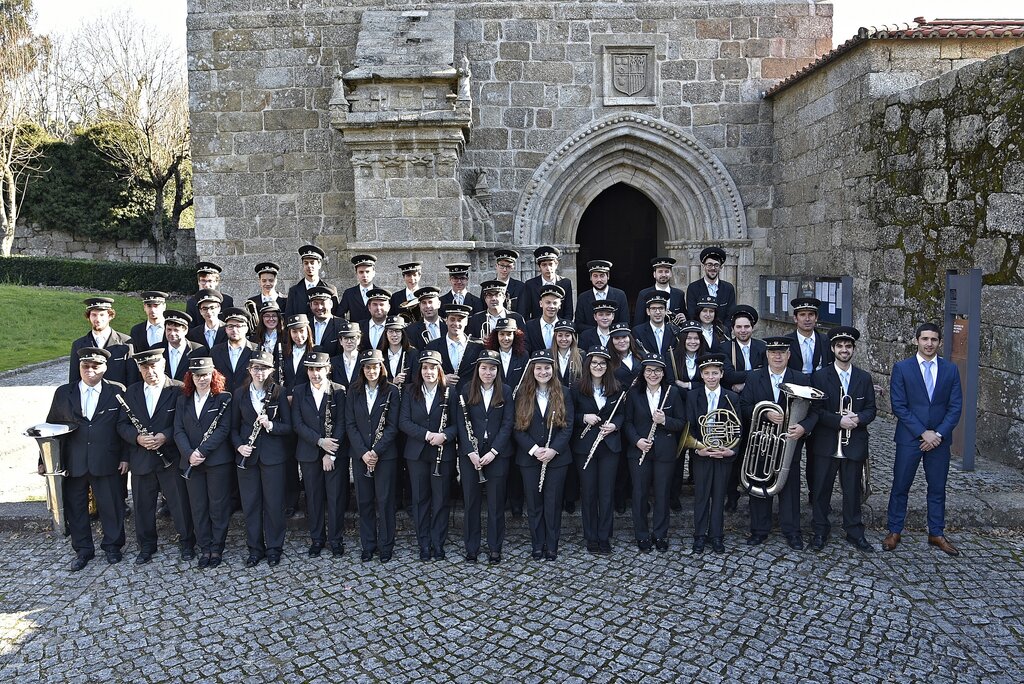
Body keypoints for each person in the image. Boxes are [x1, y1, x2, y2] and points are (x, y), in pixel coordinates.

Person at [884, 323, 963, 557]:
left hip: (939, 440)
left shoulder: (950, 370)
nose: (929, 344)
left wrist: (937, 434)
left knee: (937, 488)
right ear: (917, 340)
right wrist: (922, 432)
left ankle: (936, 532)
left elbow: (955, 406)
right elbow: (899, 405)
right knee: (900, 485)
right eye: (925, 339)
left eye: (934, 339)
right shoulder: (902, 368)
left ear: (939, 342)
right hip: (910, 438)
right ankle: (894, 530)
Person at [47, 347, 128, 571]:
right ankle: (83, 549)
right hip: (74, 460)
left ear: (105, 367)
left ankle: (113, 546)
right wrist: (44, 459)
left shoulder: (117, 391)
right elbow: (51, 427)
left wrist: (125, 457)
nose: (90, 370)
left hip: (108, 459)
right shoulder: (64, 392)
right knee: (76, 507)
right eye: (86, 366)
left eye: (96, 366)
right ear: (79, 367)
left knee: (111, 505)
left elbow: (124, 427)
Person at [117, 348, 194, 565]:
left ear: (163, 365)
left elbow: (185, 422)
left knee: (179, 503)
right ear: (139, 369)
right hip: (142, 457)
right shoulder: (130, 392)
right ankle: (147, 546)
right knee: (143, 506)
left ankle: (187, 542)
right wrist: (137, 438)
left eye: (154, 366)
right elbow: (121, 424)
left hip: (170, 456)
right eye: (144, 367)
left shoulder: (179, 389)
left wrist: (165, 436)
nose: (150, 371)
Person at [738, 336, 814, 550]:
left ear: (789, 355)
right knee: (759, 483)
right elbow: (744, 406)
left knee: (790, 488)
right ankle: (759, 530)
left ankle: (792, 531)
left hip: (790, 441)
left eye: (782, 352)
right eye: (773, 352)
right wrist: (765, 414)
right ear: (767, 355)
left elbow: (815, 411)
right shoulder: (754, 378)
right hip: (763, 441)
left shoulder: (801, 378)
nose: (777, 356)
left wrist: (803, 427)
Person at [808, 327, 876, 552]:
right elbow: (816, 410)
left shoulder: (864, 378)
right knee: (821, 490)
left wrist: (857, 419)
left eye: (848, 346)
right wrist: (839, 421)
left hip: (853, 442)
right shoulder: (819, 377)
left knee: (852, 490)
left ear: (853, 349)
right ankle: (820, 531)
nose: (844, 350)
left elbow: (871, 410)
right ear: (833, 349)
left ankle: (854, 531)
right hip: (826, 443)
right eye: (840, 346)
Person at [231, 351, 292, 567]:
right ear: (249, 370)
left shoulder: (279, 392)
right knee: (251, 505)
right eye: (256, 368)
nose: (259, 372)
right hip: (247, 458)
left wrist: (271, 425)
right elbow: (233, 428)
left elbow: (289, 426)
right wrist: (239, 446)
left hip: (273, 457)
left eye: (264, 368)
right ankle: (255, 549)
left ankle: (275, 548)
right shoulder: (239, 394)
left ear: (271, 371)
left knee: (274, 505)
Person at [514, 350, 574, 560]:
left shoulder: (564, 392)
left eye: (546, 367)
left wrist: (553, 450)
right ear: (532, 370)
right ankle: (537, 543)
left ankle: (552, 544)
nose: (543, 371)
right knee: (534, 503)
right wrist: (534, 450)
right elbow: (517, 428)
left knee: (553, 503)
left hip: (557, 459)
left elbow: (568, 427)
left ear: (553, 369)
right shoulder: (522, 392)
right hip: (529, 459)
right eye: (538, 368)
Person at [173, 356, 233, 569]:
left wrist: (201, 451)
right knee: (198, 507)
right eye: (197, 375)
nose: (202, 379)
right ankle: (204, 546)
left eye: (206, 375)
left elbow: (223, 429)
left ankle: (217, 548)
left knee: (217, 506)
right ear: (191, 377)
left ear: (213, 375)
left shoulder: (223, 398)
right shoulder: (183, 400)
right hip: (191, 461)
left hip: (217, 461)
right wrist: (189, 453)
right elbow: (178, 429)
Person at [623, 353, 686, 553]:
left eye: (657, 370)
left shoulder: (672, 393)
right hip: (640, 450)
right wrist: (637, 441)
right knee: (639, 494)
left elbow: (681, 423)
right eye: (649, 370)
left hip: (665, 452)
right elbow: (627, 422)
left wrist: (665, 420)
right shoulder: (634, 393)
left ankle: (660, 534)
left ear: (663, 372)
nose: (653, 374)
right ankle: (641, 535)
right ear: (643, 373)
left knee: (662, 494)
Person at [456, 350, 514, 564]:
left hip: (497, 455)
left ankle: (495, 548)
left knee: (496, 505)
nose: (488, 372)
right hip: (471, 456)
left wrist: (493, 452)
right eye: (484, 367)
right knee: (471, 504)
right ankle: (472, 547)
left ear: (497, 370)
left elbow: (508, 424)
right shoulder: (465, 390)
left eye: (492, 368)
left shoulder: (506, 391)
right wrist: (470, 452)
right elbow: (461, 423)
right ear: (477, 369)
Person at [400, 350, 458, 561]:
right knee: (420, 500)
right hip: (416, 454)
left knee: (441, 500)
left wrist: (444, 435)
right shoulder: (409, 391)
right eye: (425, 367)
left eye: (433, 367)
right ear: (420, 370)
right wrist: (427, 435)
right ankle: (424, 543)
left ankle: (438, 542)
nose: (429, 371)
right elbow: (403, 422)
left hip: (443, 452)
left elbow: (457, 424)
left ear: (440, 370)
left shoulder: (450, 392)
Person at [345, 349, 401, 562]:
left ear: (381, 367)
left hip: (384, 456)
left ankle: (386, 545)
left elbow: (393, 426)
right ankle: (368, 544)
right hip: (361, 456)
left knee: (385, 501)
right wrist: (363, 453)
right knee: (365, 501)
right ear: (363, 369)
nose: (371, 370)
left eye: (375, 366)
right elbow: (350, 424)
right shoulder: (353, 391)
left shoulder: (392, 391)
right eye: (367, 367)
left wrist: (376, 451)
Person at [291, 351, 348, 559]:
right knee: (313, 499)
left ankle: (336, 539)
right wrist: (319, 441)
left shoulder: (339, 391)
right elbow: (297, 423)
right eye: (312, 369)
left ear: (328, 369)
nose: (315, 374)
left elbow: (342, 423)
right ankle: (317, 539)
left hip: (334, 454)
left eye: (319, 369)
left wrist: (330, 453)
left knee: (335, 498)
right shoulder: (298, 391)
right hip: (308, 453)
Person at [687, 352, 742, 554]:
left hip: (723, 454)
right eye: (707, 373)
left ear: (721, 375)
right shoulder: (693, 396)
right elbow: (690, 426)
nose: (711, 377)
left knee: (719, 496)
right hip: (702, 453)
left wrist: (731, 450)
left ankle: (716, 535)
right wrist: (698, 447)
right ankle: (699, 535)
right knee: (701, 495)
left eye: (715, 373)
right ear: (701, 375)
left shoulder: (732, 397)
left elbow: (737, 428)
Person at [572, 346, 624, 554]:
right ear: (588, 365)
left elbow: (622, 414)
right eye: (594, 363)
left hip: (609, 447)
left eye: (602, 363)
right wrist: (584, 418)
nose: (598, 366)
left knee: (606, 492)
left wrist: (615, 425)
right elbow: (569, 417)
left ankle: (604, 536)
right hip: (585, 448)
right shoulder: (577, 388)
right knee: (589, 492)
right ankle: (591, 536)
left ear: (608, 366)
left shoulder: (617, 388)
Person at [786, 296, 832, 501]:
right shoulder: (786, 342)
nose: (807, 319)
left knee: (817, 454)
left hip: (820, 403)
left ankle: (816, 496)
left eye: (811, 315)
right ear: (795, 318)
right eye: (802, 315)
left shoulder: (827, 341)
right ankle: (789, 497)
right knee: (791, 452)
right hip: (794, 403)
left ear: (816, 318)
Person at [69, 297, 135, 387]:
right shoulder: (79, 345)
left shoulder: (126, 343)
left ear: (110, 316)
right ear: (88, 317)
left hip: (118, 397)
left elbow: (132, 378)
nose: (98, 319)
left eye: (102, 315)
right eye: (94, 315)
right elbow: (74, 380)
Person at [424, 303, 482, 391]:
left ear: (466, 322)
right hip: (443, 396)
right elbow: (424, 372)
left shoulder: (478, 346)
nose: (456, 323)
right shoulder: (433, 346)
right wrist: (440, 378)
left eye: (460, 320)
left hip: (470, 397)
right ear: (446, 321)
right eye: (452, 319)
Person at [285, 245, 340, 319]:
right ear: (302, 265)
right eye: (306, 263)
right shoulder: (294, 291)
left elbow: (336, 315)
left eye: (312, 262)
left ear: (319, 264)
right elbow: (288, 317)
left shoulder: (330, 289)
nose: (309, 266)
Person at [685, 246, 736, 326]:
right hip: (700, 334)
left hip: (723, 333)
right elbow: (692, 314)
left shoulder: (728, 288)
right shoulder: (693, 288)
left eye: (716, 265)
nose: (713, 268)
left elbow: (730, 315)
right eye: (709, 265)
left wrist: (723, 332)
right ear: (703, 266)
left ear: (721, 267)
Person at [210, 307, 258, 391]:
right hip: (222, 398)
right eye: (230, 326)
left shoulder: (256, 350)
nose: (234, 330)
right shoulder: (215, 351)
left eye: (239, 326)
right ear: (225, 329)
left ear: (246, 328)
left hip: (247, 398)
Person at [574, 260, 629, 330]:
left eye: (602, 276)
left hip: (614, 339)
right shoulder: (583, 298)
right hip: (590, 339)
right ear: (590, 278)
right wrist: (598, 332)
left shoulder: (620, 295)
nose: (599, 279)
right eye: (595, 276)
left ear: (608, 276)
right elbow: (579, 324)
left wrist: (608, 331)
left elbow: (625, 322)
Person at [522, 246, 574, 321]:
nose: (548, 268)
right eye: (544, 265)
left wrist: (564, 328)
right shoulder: (530, 284)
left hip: (559, 327)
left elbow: (568, 311)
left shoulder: (565, 283)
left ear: (556, 264)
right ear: (539, 267)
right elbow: (526, 311)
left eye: (550, 264)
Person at [634, 256, 686, 326]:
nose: (663, 275)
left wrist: (684, 318)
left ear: (671, 274)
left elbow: (684, 317)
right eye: (660, 272)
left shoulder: (679, 294)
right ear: (654, 274)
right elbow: (638, 321)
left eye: (666, 272)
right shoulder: (644, 294)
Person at [159, 310, 205, 381]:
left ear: (185, 330)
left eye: (176, 330)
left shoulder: (198, 351)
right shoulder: (158, 350)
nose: (172, 333)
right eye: (169, 329)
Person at [524, 282, 564, 353]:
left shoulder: (565, 326)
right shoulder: (529, 326)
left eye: (555, 303)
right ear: (541, 304)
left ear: (560, 305)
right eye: (548, 302)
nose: (551, 306)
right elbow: (526, 350)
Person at [281, 314, 315, 392]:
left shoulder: (317, 350)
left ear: (308, 331)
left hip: (307, 396)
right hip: (287, 395)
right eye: (294, 332)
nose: (298, 336)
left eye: (302, 331)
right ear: (290, 333)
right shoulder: (283, 351)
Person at [405, 286, 446, 351]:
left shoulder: (448, 326)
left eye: (430, 302)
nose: (427, 306)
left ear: (439, 304)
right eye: (424, 303)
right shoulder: (410, 330)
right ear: (420, 306)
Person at [488, 248, 527, 316]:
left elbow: (522, 312)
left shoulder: (520, 287)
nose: (504, 270)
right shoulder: (487, 286)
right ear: (496, 266)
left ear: (513, 268)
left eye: (508, 266)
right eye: (502, 266)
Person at [308, 285, 345, 356]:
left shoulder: (341, 325)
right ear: (310, 306)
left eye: (322, 303)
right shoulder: (306, 325)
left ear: (331, 304)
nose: (319, 307)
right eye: (315, 304)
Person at [381, 315, 414, 387]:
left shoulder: (413, 354)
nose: (394, 335)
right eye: (391, 331)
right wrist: (392, 381)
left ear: (403, 334)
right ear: (386, 334)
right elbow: (376, 381)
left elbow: (416, 381)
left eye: (398, 331)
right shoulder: (380, 355)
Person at [330, 322, 363, 389]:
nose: (349, 341)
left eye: (352, 338)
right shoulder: (333, 362)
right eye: (345, 338)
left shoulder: (364, 361)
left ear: (359, 340)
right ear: (340, 341)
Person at [551, 319, 582, 387]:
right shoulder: (548, 354)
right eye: (560, 335)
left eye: (567, 335)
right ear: (555, 337)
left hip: (574, 395)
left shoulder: (581, 355)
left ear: (572, 337)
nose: (564, 339)